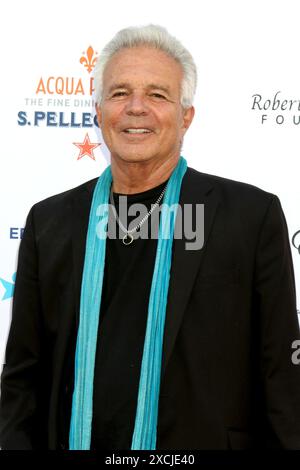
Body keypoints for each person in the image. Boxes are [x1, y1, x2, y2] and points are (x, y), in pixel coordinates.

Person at [0, 24, 300, 451]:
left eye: (157, 95)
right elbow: (22, 380)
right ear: (99, 110)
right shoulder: (50, 222)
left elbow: (282, 377)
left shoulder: (249, 217)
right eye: (120, 93)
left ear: (186, 117)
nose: (136, 108)